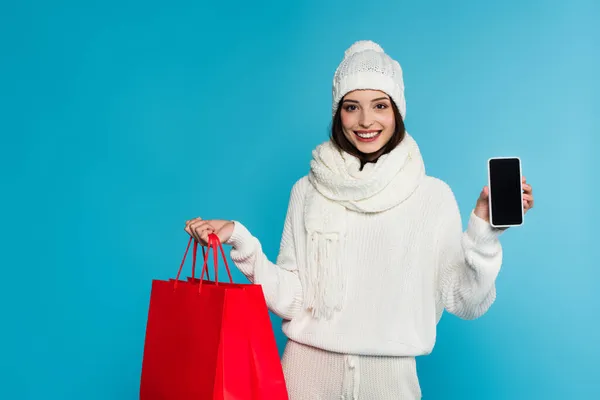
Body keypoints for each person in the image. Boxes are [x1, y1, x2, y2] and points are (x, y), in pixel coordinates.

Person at [184, 40, 534, 399]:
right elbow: (292, 298)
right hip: (304, 377)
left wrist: (484, 234)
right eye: (352, 107)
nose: (366, 121)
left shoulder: (432, 196)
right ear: (339, 114)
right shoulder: (307, 190)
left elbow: (466, 301)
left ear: (397, 111)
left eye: (380, 105)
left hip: (389, 384)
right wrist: (240, 239)